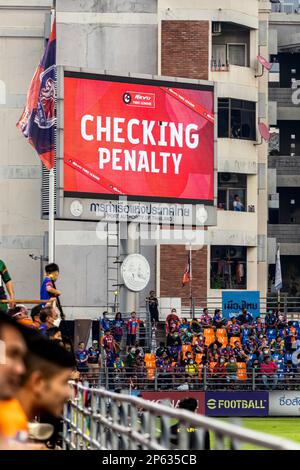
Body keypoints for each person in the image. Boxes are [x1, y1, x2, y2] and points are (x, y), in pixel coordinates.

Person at [0, 335, 75, 445]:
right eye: (64, 382)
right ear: (38, 382)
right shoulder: (10, 420)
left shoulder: (14, 416)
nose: (70, 393)